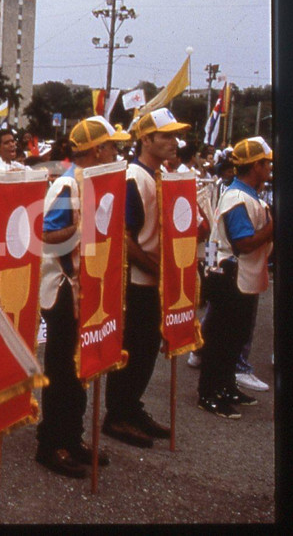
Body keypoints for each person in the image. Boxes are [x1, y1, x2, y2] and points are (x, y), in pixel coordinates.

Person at [35, 116, 130, 478]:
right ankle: (51, 444)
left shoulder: (95, 183)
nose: (117, 152)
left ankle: (71, 437)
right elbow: (46, 235)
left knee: (80, 368)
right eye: (112, 146)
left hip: (87, 289)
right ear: (97, 150)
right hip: (62, 290)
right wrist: (82, 224)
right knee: (61, 371)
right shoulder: (68, 185)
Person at [103, 108, 189, 448]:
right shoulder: (133, 178)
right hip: (137, 282)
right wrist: (156, 267)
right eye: (165, 135)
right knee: (134, 351)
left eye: (174, 135)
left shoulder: (159, 176)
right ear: (146, 139)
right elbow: (123, 237)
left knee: (148, 350)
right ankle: (117, 415)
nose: (173, 141)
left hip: (155, 280)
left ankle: (131, 407)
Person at [197, 137, 273, 418]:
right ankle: (208, 393)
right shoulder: (237, 197)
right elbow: (244, 242)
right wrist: (272, 228)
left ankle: (226, 386)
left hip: (240, 275)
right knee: (221, 338)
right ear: (255, 165)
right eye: (266, 163)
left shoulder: (246, 194)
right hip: (230, 274)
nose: (269, 168)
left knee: (235, 336)